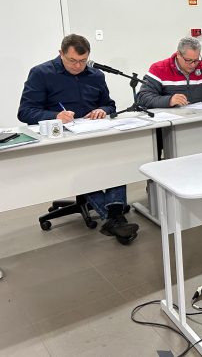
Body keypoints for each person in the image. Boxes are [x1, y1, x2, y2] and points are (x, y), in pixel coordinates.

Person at [17, 34, 139, 244]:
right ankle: (115, 218)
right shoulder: (41, 73)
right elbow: (25, 112)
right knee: (86, 164)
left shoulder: (96, 75)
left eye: (83, 61)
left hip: (93, 134)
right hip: (62, 141)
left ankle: (114, 217)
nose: (78, 66)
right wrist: (55, 116)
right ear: (60, 54)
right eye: (72, 60)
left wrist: (103, 110)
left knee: (116, 161)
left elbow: (110, 105)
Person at [136, 36, 202, 109]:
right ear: (178, 54)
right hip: (171, 123)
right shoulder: (159, 69)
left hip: (200, 120)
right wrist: (169, 100)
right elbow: (143, 98)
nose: (193, 65)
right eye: (188, 60)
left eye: (196, 60)